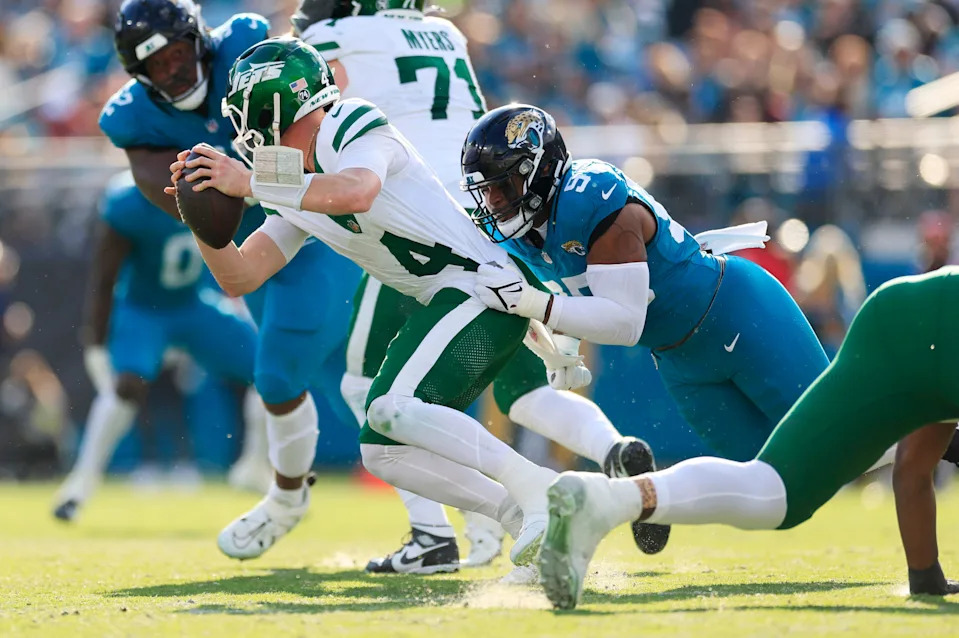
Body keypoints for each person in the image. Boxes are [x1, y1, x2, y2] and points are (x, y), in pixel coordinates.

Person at [166, 36, 648, 570]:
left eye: (242, 111)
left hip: (483, 286)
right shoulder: (291, 186)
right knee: (382, 448)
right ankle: (519, 517)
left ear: (270, 106)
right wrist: (200, 220)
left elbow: (356, 191)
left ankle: (542, 491)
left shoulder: (349, 122)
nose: (239, 129)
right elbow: (241, 275)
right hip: (452, 298)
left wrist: (250, 182)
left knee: (391, 405)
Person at [290, 0, 664, 574]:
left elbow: (312, 107)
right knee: (521, 390)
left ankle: (443, 528)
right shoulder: (442, 31)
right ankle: (611, 451)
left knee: (369, 389)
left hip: (417, 220)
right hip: (491, 208)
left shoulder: (340, 34)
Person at [100, 0, 360, 558]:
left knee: (301, 375)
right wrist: (220, 195)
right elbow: (189, 204)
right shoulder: (131, 119)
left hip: (314, 222)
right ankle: (443, 520)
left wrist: (247, 180)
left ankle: (288, 499)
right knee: (337, 387)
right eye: (156, 64)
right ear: (139, 73)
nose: (172, 69)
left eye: (176, 53)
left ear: (198, 40)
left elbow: (319, 131)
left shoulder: (246, 45)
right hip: (257, 243)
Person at [539, 268, 959, 609]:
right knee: (777, 488)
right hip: (921, 328)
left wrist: (926, 576)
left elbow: (912, 470)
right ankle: (606, 500)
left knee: (790, 473)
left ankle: (608, 499)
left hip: (902, 308)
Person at [462, 104, 830, 465]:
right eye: (485, 190)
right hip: (677, 357)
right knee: (767, 475)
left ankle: (629, 495)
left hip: (734, 314)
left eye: (503, 184)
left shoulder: (589, 195)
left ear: (542, 169)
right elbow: (573, 286)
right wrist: (564, 347)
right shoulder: (521, 233)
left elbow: (625, 321)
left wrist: (530, 302)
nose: (493, 201)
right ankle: (638, 496)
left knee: (834, 437)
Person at [53, 172, 265, 521]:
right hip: (143, 310)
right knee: (125, 386)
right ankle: (81, 482)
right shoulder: (127, 201)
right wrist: (96, 343)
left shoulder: (209, 181)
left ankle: (256, 465)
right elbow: (104, 278)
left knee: (269, 368)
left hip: (194, 303)